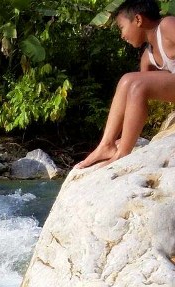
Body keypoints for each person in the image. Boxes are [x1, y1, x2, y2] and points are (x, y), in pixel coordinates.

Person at [74, 0, 175, 169]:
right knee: (127, 81)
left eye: (122, 27)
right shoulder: (147, 57)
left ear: (138, 20)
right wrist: (128, 133)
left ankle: (122, 154)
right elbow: (139, 98)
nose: (122, 35)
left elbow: (141, 88)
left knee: (136, 84)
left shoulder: (167, 25)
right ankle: (106, 144)